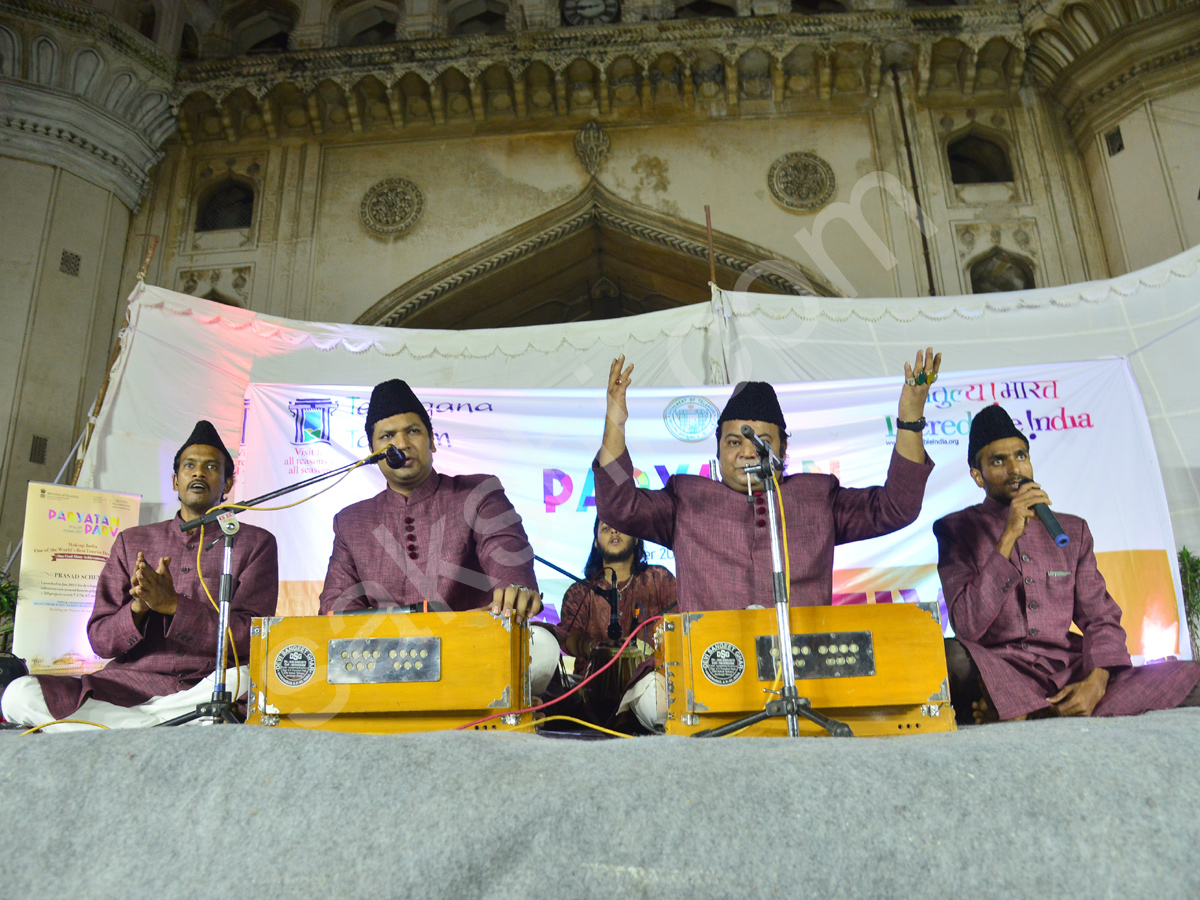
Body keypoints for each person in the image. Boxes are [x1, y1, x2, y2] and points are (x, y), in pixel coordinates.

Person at [594, 351, 941, 612]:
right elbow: (617, 505)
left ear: (783, 449)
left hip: (806, 667)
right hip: (713, 665)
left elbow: (897, 506)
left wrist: (910, 418)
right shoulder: (686, 500)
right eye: (734, 442)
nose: (747, 452)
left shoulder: (816, 497)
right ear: (717, 451)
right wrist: (615, 420)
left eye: (762, 442)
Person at [1, 421, 279, 732]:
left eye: (211, 467)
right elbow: (101, 641)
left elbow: (253, 637)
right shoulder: (131, 541)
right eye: (189, 466)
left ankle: (118, 729)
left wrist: (174, 605)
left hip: (206, 683)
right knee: (17, 695)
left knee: (245, 681)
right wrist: (139, 608)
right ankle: (153, 727)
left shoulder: (254, 543)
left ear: (227, 484)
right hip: (128, 685)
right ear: (176, 480)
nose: (198, 473)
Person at [934, 404, 1200, 723]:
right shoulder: (957, 529)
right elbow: (966, 624)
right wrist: (1007, 537)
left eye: (1021, 456)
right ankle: (1025, 707)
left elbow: (1100, 618)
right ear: (979, 475)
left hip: (1065, 671)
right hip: (997, 667)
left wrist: (1096, 683)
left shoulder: (1072, 530)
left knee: (1187, 677)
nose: (1015, 469)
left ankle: (1035, 710)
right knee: (949, 659)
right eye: (998, 461)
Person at [319, 378, 559, 694]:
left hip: (472, 652)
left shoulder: (478, 492)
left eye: (413, 431)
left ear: (432, 441)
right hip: (386, 663)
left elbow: (505, 548)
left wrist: (515, 586)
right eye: (388, 436)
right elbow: (335, 611)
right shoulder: (351, 522)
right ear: (373, 451)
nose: (401, 443)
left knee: (540, 646)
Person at [556, 518, 676, 728]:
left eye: (620, 527)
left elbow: (680, 628)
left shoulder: (660, 580)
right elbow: (567, 638)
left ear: (637, 538)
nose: (614, 532)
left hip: (651, 688)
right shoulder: (580, 591)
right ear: (595, 541)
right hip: (592, 696)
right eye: (605, 528)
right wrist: (593, 647)